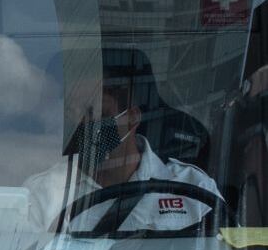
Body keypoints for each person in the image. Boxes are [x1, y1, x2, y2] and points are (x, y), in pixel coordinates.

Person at [25, 72, 218, 234]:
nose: (83, 124)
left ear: (132, 118)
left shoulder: (194, 189)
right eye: (72, 114)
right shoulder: (43, 193)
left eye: (96, 111)